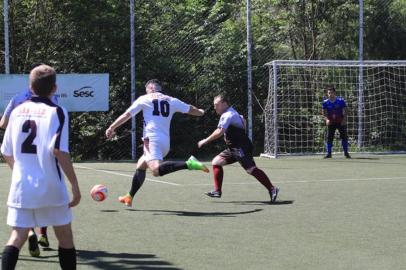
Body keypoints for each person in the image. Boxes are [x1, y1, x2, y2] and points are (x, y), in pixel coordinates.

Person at [0, 64, 81, 270]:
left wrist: (19, 171)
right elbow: (59, 151)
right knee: (64, 237)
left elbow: (6, 152)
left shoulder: (17, 111)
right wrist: (75, 185)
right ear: (54, 88)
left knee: (17, 236)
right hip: (51, 186)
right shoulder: (58, 112)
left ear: (30, 87)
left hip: (22, 187)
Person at [105, 79, 209, 207]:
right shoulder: (171, 100)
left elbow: (127, 114)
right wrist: (201, 112)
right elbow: (191, 109)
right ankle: (129, 196)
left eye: (147, 89)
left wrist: (112, 127)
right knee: (141, 165)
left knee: (155, 170)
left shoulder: (144, 98)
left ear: (149, 89)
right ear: (159, 89)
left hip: (152, 140)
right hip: (165, 142)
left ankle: (189, 164)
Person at [0, 87, 59, 256]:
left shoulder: (17, 99)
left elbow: (3, 125)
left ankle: (30, 232)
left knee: (24, 202)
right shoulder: (53, 101)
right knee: (47, 199)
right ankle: (43, 234)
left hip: (22, 162)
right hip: (44, 158)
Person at [197, 94, 279, 202]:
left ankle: (272, 189)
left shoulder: (227, 115)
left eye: (216, 105)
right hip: (234, 148)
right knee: (216, 162)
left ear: (224, 104)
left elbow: (219, 131)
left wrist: (205, 140)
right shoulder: (231, 113)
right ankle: (217, 191)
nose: (215, 107)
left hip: (241, 148)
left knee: (251, 169)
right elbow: (242, 122)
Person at [322, 87, 351, 159]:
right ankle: (329, 154)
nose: (330, 94)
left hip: (340, 122)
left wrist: (344, 119)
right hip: (331, 122)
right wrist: (326, 119)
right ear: (327, 94)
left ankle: (346, 153)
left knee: (344, 137)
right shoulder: (325, 102)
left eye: (331, 92)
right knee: (329, 138)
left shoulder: (341, 101)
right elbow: (323, 113)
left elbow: (346, 111)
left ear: (334, 93)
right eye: (329, 93)